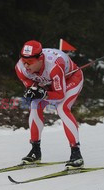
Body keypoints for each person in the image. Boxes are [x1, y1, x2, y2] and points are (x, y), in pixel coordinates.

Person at [15, 40, 84, 169]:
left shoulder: (54, 66)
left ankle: (76, 154)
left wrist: (44, 94)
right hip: (48, 83)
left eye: (29, 62)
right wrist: (34, 91)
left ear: (40, 59)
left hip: (71, 79)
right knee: (35, 105)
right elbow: (33, 88)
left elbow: (59, 95)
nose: (25, 65)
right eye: (23, 60)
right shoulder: (20, 69)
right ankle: (35, 151)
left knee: (62, 108)